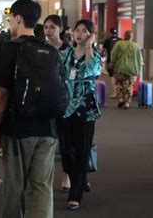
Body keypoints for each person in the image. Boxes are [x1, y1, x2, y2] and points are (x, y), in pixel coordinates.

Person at [0, 0, 59, 218]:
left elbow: (1, 93)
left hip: (18, 128)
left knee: (15, 186)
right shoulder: (49, 49)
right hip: (48, 128)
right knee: (42, 187)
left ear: (18, 18)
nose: (10, 22)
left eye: (11, 18)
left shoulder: (10, 49)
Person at [61, 19, 102, 210]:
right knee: (67, 151)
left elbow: (88, 70)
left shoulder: (94, 56)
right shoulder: (65, 54)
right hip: (65, 107)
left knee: (82, 150)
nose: (79, 34)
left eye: (84, 31)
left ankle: (75, 194)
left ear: (90, 35)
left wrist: (89, 47)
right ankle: (80, 176)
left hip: (85, 109)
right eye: (77, 30)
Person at [43, 15, 71, 192]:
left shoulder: (69, 50)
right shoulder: (41, 48)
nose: (48, 30)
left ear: (60, 29)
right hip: (45, 100)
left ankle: (67, 175)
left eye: (52, 27)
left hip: (63, 99)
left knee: (66, 140)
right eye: (46, 27)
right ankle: (47, 176)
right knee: (47, 141)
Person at [110, 30, 143, 109]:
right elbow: (140, 59)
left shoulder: (119, 44)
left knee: (119, 84)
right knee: (129, 86)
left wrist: (112, 64)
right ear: (132, 37)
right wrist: (139, 70)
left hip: (120, 68)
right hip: (132, 69)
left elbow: (113, 55)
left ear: (124, 36)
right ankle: (127, 102)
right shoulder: (136, 46)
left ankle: (121, 99)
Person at [102, 28, 121, 98]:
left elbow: (103, 51)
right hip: (119, 62)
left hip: (110, 61)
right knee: (119, 77)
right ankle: (119, 92)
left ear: (110, 33)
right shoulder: (120, 40)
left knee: (112, 76)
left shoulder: (107, 40)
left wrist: (102, 56)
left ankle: (114, 93)